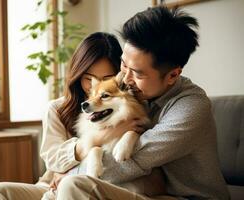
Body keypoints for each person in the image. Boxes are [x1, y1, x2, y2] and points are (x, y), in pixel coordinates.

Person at [53, 6, 230, 200]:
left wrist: (69, 173)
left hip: (187, 197)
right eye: (123, 64)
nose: (126, 79)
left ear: (173, 75)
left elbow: (128, 164)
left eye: (137, 73)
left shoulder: (191, 108)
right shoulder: (135, 95)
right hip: (143, 190)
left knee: (74, 185)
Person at [0, 32, 140, 199]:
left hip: (94, 185)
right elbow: (53, 160)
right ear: (78, 75)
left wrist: (70, 175)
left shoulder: (126, 107)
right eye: (89, 78)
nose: (95, 86)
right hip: (52, 185)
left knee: (71, 187)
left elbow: (128, 162)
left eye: (106, 78)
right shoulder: (57, 108)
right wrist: (102, 136)